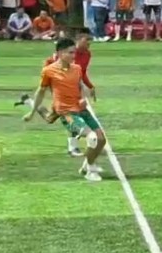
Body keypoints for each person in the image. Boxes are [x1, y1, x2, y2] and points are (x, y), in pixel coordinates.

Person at [22, 37, 106, 181]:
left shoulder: (77, 68)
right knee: (92, 137)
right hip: (66, 113)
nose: (74, 56)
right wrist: (32, 112)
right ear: (60, 53)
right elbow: (40, 92)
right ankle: (90, 170)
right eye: (70, 53)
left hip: (80, 109)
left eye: (74, 53)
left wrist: (84, 95)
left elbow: (79, 85)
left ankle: (86, 166)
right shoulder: (49, 71)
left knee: (101, 140)